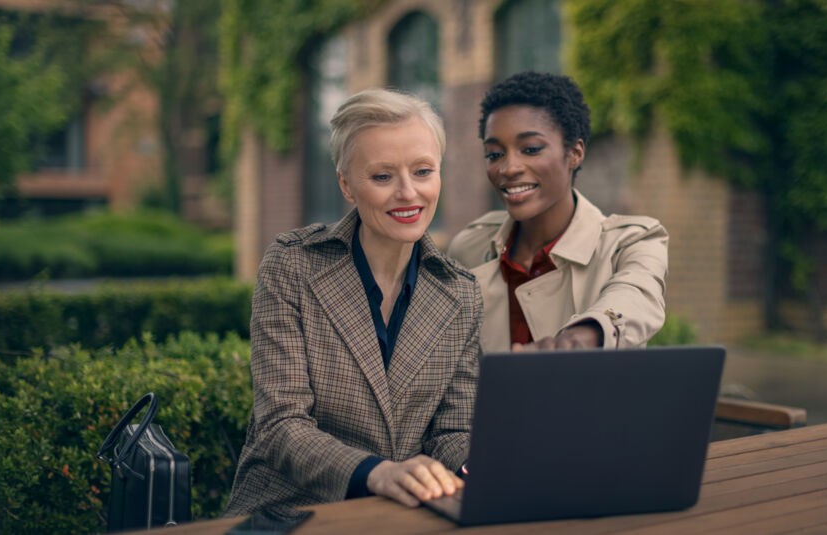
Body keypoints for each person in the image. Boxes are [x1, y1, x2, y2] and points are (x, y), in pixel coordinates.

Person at [226, 89, 481, 515]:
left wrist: (482, 466)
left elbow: (452, 431)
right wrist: (377, 472)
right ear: (346, 184)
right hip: (290, 511)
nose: (408, 192)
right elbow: (281, 426)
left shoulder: (460, 291)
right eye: (382, 177)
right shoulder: (292, 266)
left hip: (405, 513)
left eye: (423, 171)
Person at [447, 71, 667, 353]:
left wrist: (582, 337)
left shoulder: (632, 242)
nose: (508, 168)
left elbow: (636, 296)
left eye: (530, 149)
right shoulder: (470, 247)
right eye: (494, 154)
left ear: (574, 153)